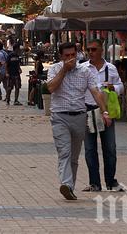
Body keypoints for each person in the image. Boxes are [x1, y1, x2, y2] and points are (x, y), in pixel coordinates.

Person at [47, 42, 111, 201]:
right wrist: (64, 70)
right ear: (61, 56)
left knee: (74, 156)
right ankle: (66, 184)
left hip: (79, 116)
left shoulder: (85, 71)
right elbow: (50, 88)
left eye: (73, 55)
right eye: (66, 56)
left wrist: (104, 111)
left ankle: (69, 187)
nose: (70, 58)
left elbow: (96, 92)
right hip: (59, 116)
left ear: (77, 55)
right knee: (64, 153)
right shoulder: (54, 69)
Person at [82, 39, 125, 193]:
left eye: (94, 49)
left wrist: (113, 87)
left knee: (110, 148)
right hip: (88, 110)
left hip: (106, 111)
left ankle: (111, 181)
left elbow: (121, 87)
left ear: (101, 50)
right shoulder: (83, 68)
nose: (90, 52)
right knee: (89, 149)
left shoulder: (111, 68)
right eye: (88, 49)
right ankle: (94, 183)